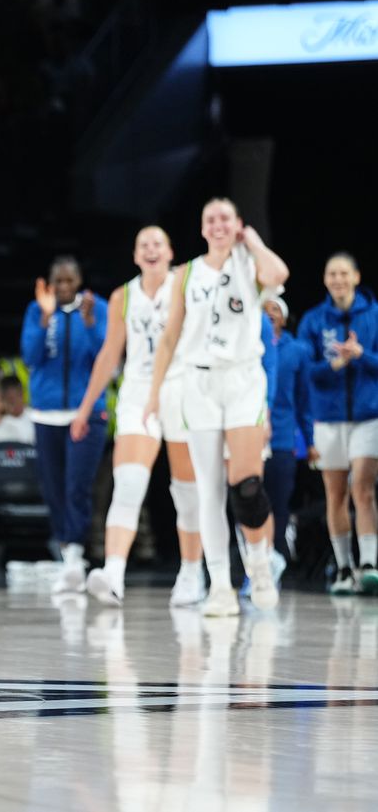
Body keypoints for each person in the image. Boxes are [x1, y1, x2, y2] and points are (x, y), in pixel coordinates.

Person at [146, 198, 290, 616]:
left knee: (246, 486)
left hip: (243, 378)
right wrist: (155, 392)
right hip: (199, 381)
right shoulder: (187, 273)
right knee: (207, 490)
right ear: (203, 227)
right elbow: (171, 337)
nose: (218, 224)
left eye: (226, 218)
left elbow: (279, 274)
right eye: (211, 219)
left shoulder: (251, 265)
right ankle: (221, 586)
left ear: (238, 224)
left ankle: (260, 565)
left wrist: (255, 242)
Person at [70, 227, 206, 607]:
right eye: (143, 245)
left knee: (187, 492)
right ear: (134, 256)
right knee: (128, 483)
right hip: (138, 391)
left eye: (157, 244)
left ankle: (192, 573)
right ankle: (113, 574)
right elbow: (110, 354)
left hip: (181, 387)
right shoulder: (123, 296)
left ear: (170, 252)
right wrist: (85, 409)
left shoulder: (185, 283)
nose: (150, 249)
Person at [19, 255, 108, 594]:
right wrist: (44, 317)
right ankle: (66, 553)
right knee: (54, 488)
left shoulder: (95, 308)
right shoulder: (37, 310)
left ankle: (76, 553)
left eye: (71, 281)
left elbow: (106, 355)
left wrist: (89, 322)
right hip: (46, 414)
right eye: (59, 282)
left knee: (78, 486)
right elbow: (30, 357)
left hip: (85, 414)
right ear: (51, 283)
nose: (65, 288)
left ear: (80, 281)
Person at [297, 253, 378, 594]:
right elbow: (306, 371)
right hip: (328, 418)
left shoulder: (373, 315)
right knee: (336, 493)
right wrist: (333, 366)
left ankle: (369, 564)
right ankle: (344, 567)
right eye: (332, 274)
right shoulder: (313, 321)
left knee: (362, 486)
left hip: (367, 415)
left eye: (344, 273)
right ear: (325, 280)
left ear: (357, 277)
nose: (338, 279)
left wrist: (363, 356)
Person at [263, 296, 312, 573]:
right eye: (264, 309)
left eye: (275, 309)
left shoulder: (297, 351)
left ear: (284, 317)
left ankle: (277, 557)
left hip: (282, 437)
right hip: (248, 435)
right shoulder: (247, 345)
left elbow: (304, 400)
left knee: (278, 502)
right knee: (248, 500)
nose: (269, 313)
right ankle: (252, 559)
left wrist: (309, 440)